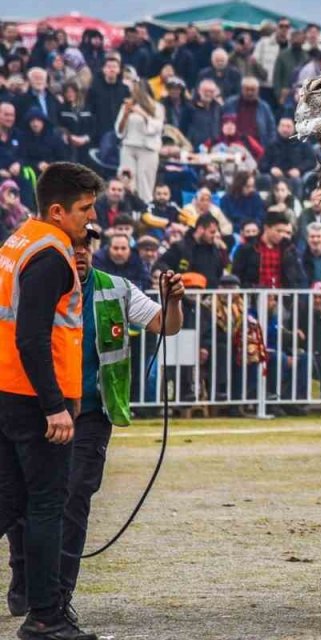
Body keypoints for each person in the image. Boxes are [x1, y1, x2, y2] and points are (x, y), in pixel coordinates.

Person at [7, 234, 183, 629]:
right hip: (36, 407)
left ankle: (56, 598)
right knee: (25, 500)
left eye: (87, 245)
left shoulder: (114, 288)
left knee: (74, 500)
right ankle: (24, 570)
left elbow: (164, 326)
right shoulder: (34, 283)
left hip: (90, 411)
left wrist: (173, 301)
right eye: (74, 245)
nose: (80, 252)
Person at [0, 162, 101, 640]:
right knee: (45, 505)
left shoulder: (20, 240)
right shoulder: (51, 255)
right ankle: (45, 616)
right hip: (32, 398)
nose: (91, 218)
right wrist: (54, 405)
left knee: (9, 501)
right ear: (58, 210)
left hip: (7, 391)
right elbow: (33, 337)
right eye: (85, 209)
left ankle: (43, 612)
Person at [114, 82, 164, 204]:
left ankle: (145, 209)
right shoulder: (126, 105)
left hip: (148, 149)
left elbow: (157, 128)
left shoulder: (157, 107)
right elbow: (119, 131)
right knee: (128, 181)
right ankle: (129, 208)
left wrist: (142, 114)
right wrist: (126, 113)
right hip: (129, 146)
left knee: (145, 182)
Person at [231, 211, 301, 289]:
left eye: (285, 232)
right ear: (266, 228)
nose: (282, 235)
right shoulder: (247, 249)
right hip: (253, 296)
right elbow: (237, 276)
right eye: (278, 231)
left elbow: (296, 277)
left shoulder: (289, 250)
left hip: (281, 298)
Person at [160, 212, 229, 286]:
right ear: (200, 229)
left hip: (210, 295)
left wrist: (224, 251)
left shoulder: (215, 250)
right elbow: (162, 264)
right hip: (185, 294)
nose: (215, 236)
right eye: (212, 232)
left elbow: (220, 272)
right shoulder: (180, 247)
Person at [221, 77, 275, 147]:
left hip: (257, 147)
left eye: (253, 90)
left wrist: (269, 148)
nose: (250, 92)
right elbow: (220, 122)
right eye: (247, 89)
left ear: (258, 90)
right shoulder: (230, 104)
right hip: (233, 145)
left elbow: (271, 129)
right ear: (242, 89)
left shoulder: (264, 107)